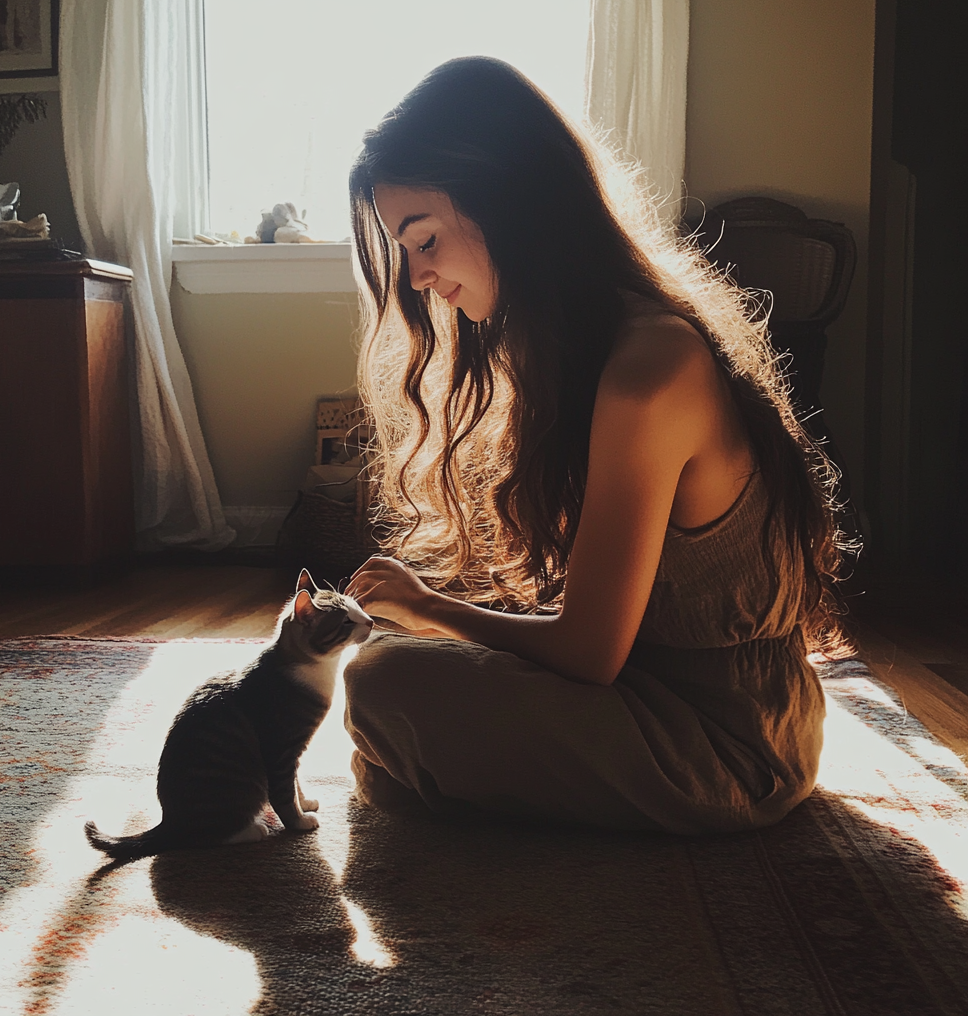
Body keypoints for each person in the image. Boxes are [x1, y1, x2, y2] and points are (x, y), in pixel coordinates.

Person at [343, 57, 848, 835]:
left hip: (724, 745)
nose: (416, 277)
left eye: (425, 240)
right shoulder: (588, 347)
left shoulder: (650, 371)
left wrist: (427, 606)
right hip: (657, 697)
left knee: (382, 680)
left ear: (507, 203)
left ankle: (450, 776)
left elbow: (588, 654)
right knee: (393, 673)